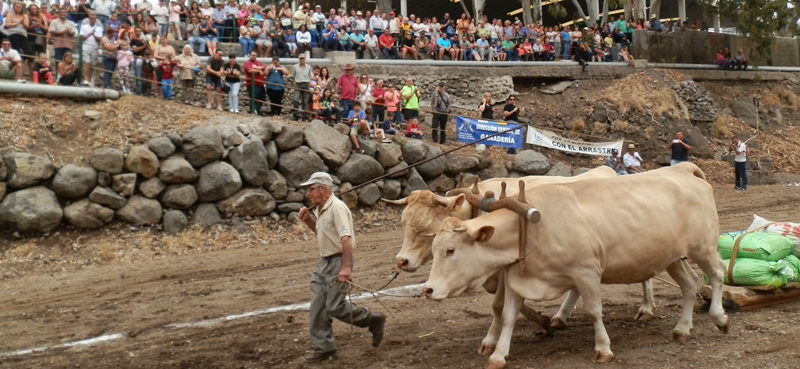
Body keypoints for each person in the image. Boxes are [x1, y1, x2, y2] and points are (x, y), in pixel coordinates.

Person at [296, 172, 386, 363]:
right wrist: (308, 221)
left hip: (338, 261)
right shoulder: (321, 208)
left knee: (335, 306)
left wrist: (346, 267)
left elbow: (346, 239)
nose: (308, 194)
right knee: (318, 307)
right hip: (324, 261)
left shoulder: (337, 208)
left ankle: (372, 320)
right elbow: (323, 233)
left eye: (311, 189)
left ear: (323, 188)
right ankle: (325, 349)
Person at [291, 54, 313, 120]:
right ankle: (296, 114)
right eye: (300, 58)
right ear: (299, 59)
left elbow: (309, 77)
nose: (302, 60)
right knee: (295, 99)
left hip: (306, 84)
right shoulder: (295, 66)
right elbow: (293, 76)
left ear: (305, 59)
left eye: (303, 58)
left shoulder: (309, 67)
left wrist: (308, 84)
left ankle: (304, 116)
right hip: (298, 84)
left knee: (305, 101)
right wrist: (294, 84)